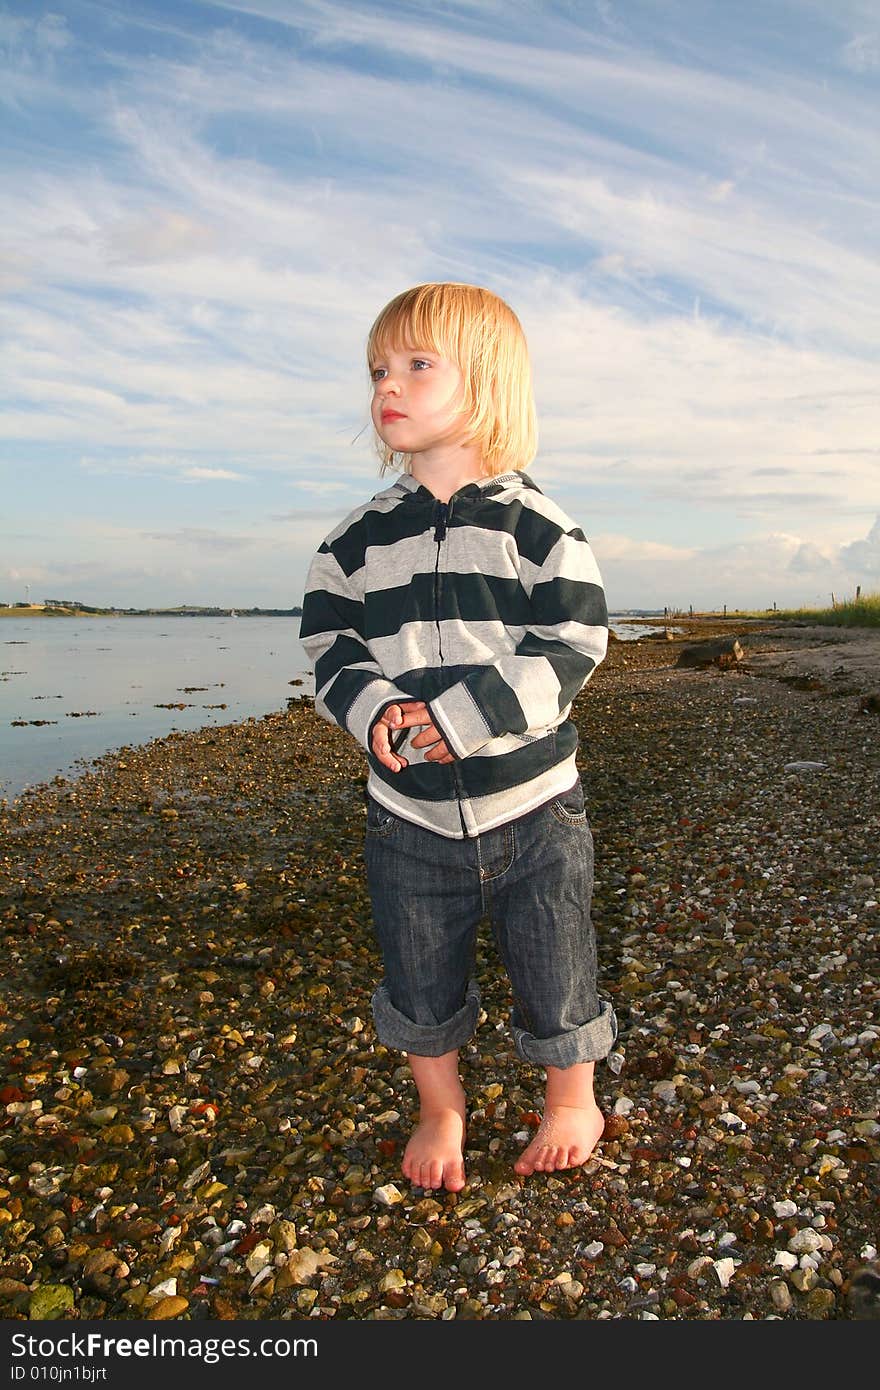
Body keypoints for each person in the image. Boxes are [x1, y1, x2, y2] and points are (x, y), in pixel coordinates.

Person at [299, 282, 616, 1192]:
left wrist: (458, 719)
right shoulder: (354, 542)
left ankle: (570, 1097)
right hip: (408, 816)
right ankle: (442, 1109)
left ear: (487, 386)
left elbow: (571, 642)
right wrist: (374, 715)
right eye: (376, 371)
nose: (385, 388)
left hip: (535, 803)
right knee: (418, 975)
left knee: (556, 957)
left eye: (415, 365)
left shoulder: (539, 527)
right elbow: (329, 643)